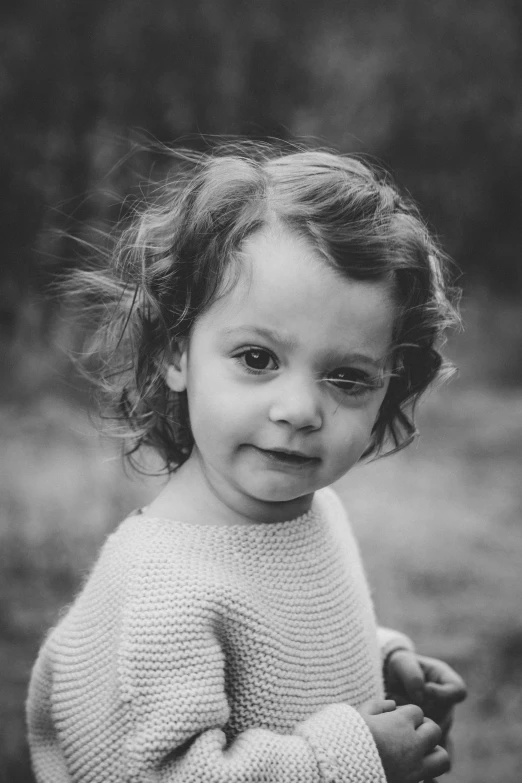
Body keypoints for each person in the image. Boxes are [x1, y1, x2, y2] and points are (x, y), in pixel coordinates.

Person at [27, 143, 467, 783]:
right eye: (258, 359)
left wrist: (381, 663)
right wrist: (352, 759)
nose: (299, 410)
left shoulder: (309, 515)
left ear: (388, 392)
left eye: (346, 377)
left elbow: (287, 660)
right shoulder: (161, 594)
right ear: (178, 353)